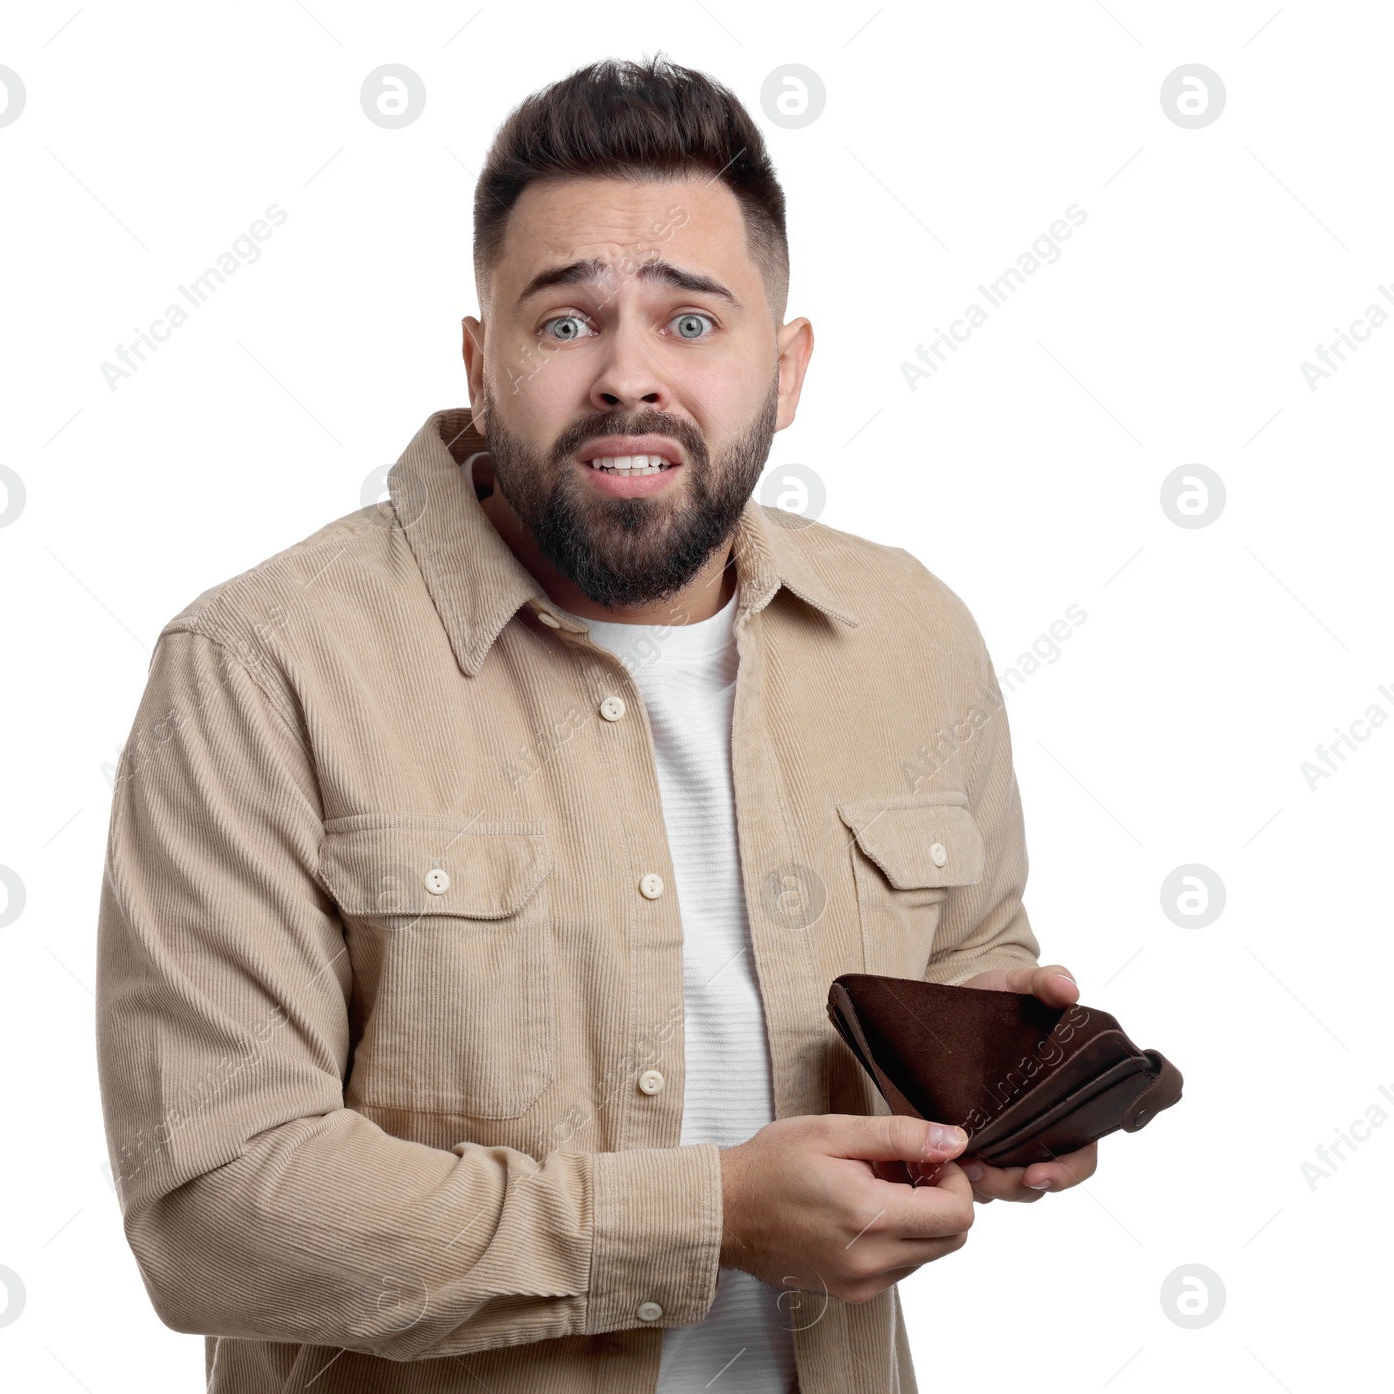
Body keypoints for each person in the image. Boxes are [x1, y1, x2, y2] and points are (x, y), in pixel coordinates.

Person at [95, 54, 1095, 1394]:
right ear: (478, 357)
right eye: (567, 323)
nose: (630, 376)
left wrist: (1002, 1094)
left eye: (693, 323)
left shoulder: (914, 636)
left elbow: (975, 946)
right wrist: (708, 1216)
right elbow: (214, 1209)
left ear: (786, 369)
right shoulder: (260, 667)